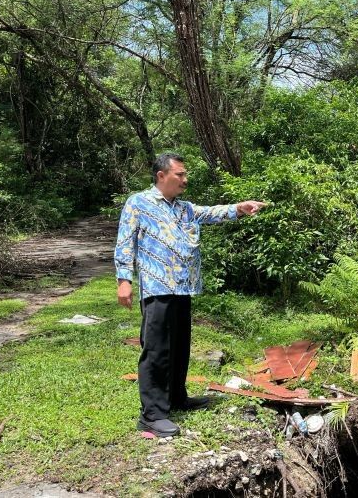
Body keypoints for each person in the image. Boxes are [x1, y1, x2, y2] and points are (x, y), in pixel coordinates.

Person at [114, 152, 266, 437]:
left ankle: (177, 399)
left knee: (180, 347)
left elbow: (210, 213)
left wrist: (239, 208)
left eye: (185, 174)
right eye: (180, 174)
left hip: (183, 287)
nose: (185, 179)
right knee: (156, 351)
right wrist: (124, 280)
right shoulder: (139, 203)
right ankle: (152, 415)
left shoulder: (183, 208)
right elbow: (125, 242)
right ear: (162, 176)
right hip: (157, 288)